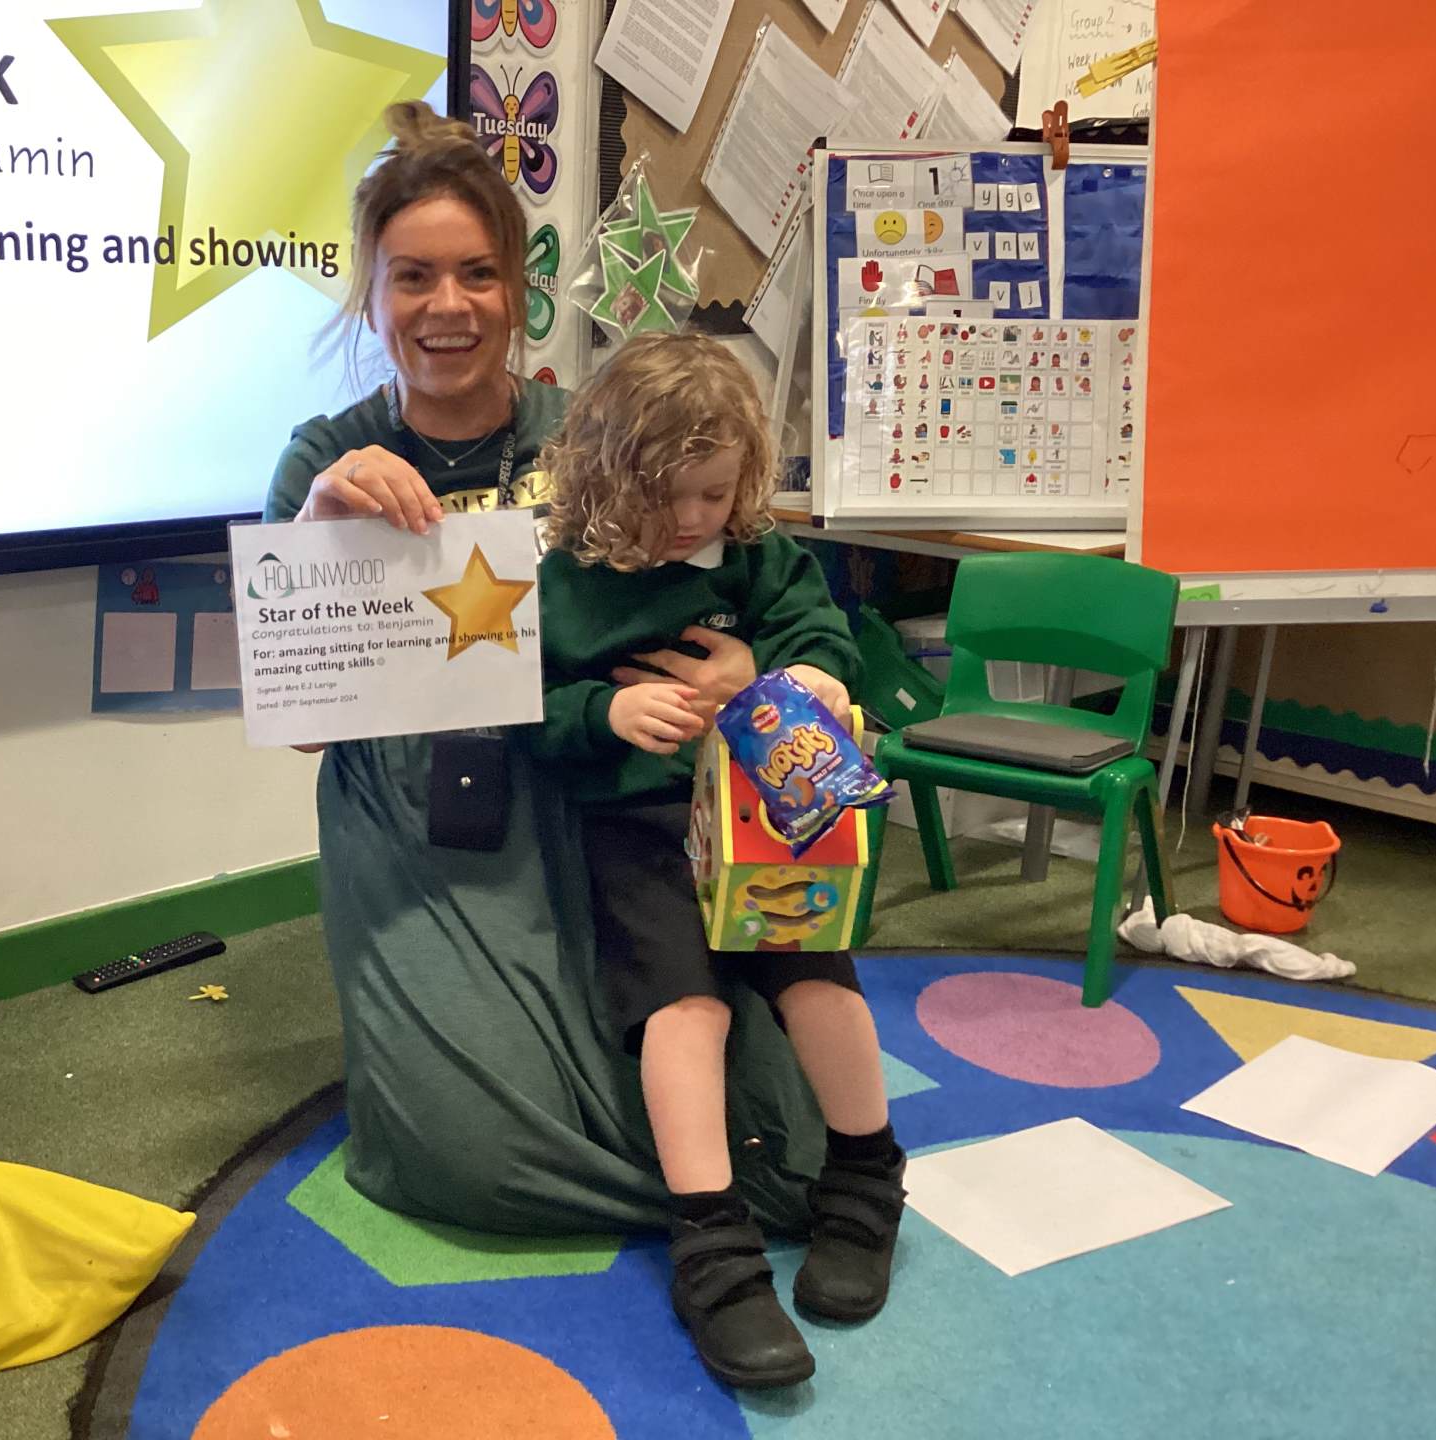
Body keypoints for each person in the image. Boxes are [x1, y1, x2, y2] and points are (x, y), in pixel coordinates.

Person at [264, 102, 835, 1237]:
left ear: (519, 286)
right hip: (426, 817)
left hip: (614, 797)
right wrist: (322, 538)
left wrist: (754, 675)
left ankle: (707, 1186)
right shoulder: (326, 463)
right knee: (475, 1157)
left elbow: (755, 576)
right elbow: (304, 726)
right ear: (372, 294)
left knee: (795, 1154)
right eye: (413, 277)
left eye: (477, 273)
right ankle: (688, 1203)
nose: (448, 306)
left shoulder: (602, 429)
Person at [532, 332, 907, 1389]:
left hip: (763, 816)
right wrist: (603, 712)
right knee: (683, 1011)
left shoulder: (758, 558)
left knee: (817, 980)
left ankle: (868, 1180)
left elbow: (823, 640)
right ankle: (711, 1242)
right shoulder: (563, 583)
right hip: (639, 827)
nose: (693, 518)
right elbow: (523, 711)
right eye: (666, 498)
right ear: (608, 479)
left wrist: (800, 679)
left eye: (713, 492)